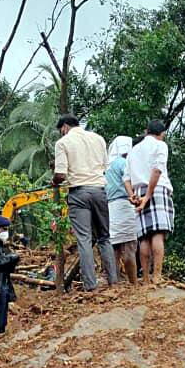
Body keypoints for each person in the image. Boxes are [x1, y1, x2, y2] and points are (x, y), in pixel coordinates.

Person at [53, 115, 116, 291]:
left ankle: (91, 285)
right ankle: (113, 281)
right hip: (99, 190)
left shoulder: (63, 143)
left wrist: (54, 182)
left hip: (79, 193)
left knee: (84, 239)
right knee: (105, 237)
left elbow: (60, 175)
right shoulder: (98, 139)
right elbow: (104, 166)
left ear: (64, 127)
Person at [127, 120, 174, 285]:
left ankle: (146, 279)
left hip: (138, 191)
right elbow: (157, 170)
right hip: (157, 189)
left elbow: (126, 178)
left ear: (147, 131)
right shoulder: (160, 146)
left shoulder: (134, 150)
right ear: (161, 134)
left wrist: (133, 195)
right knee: (157, 234)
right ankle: (157, 276)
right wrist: (148, 195)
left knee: (144, 237)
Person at [104, 135, 139, 285]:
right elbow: (130, 182)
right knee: (129, 247)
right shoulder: (124, 163)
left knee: (114, 247)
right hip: (125, 205)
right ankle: (134, 283)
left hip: (110, 208)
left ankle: (114, 282)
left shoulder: (107, 167)